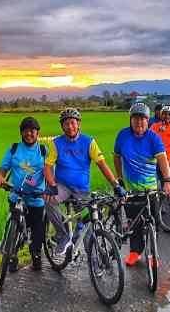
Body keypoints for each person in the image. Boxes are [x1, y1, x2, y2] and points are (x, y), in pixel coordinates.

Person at [44, 108, 123, 255]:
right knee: (48, 200)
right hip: (63, 186)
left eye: (73, 123)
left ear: (78, 124)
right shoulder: (56, 143)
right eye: (66, 124)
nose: (70, 127)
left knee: (90, 221)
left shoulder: (89, 142)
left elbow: (102, 164)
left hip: (82, 189)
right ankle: (63, 235)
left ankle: (91, 252)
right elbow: (48, 166)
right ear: (62, 126)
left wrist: (116, 185)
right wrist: (51, 185)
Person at [113, 103, 170, 266]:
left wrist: (168, 181)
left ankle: (153, 253)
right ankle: (135, 252)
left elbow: (162, 158)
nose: (139, 122)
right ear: (130, 120)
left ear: (148, 121)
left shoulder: (153, 137)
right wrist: (119, 178)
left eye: (142, 119)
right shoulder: (123, 135)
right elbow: (117, 156)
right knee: (134, 223)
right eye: (135, 118)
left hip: (151, 190)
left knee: (153, 223)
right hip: (131, 190)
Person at [0, 116, 47, 272]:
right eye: (25, 130)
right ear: (21, 133)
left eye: (32, 131)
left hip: (36, 197)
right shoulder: (14, 149)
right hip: (17, 195)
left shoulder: (44, 150)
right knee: (14, 224)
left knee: (38, 228)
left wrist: (51, 187)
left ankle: (36, 253)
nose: (29, 133)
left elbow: (50, 171)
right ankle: (12, 254)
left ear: (37, 133)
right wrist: (0, 178)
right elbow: (3, 169)